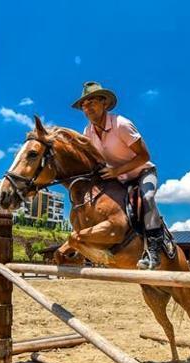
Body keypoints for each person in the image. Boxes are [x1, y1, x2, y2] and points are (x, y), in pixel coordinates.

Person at [72, 81, 164, 270]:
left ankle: (154, 251)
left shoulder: (121, 124)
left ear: (104, 103)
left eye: (91, 102)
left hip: (143, 172)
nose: (87, 108)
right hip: (118, 178)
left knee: (146, 198)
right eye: (83, 105)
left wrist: (115, 171)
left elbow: (144, 156)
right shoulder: (87, 132)